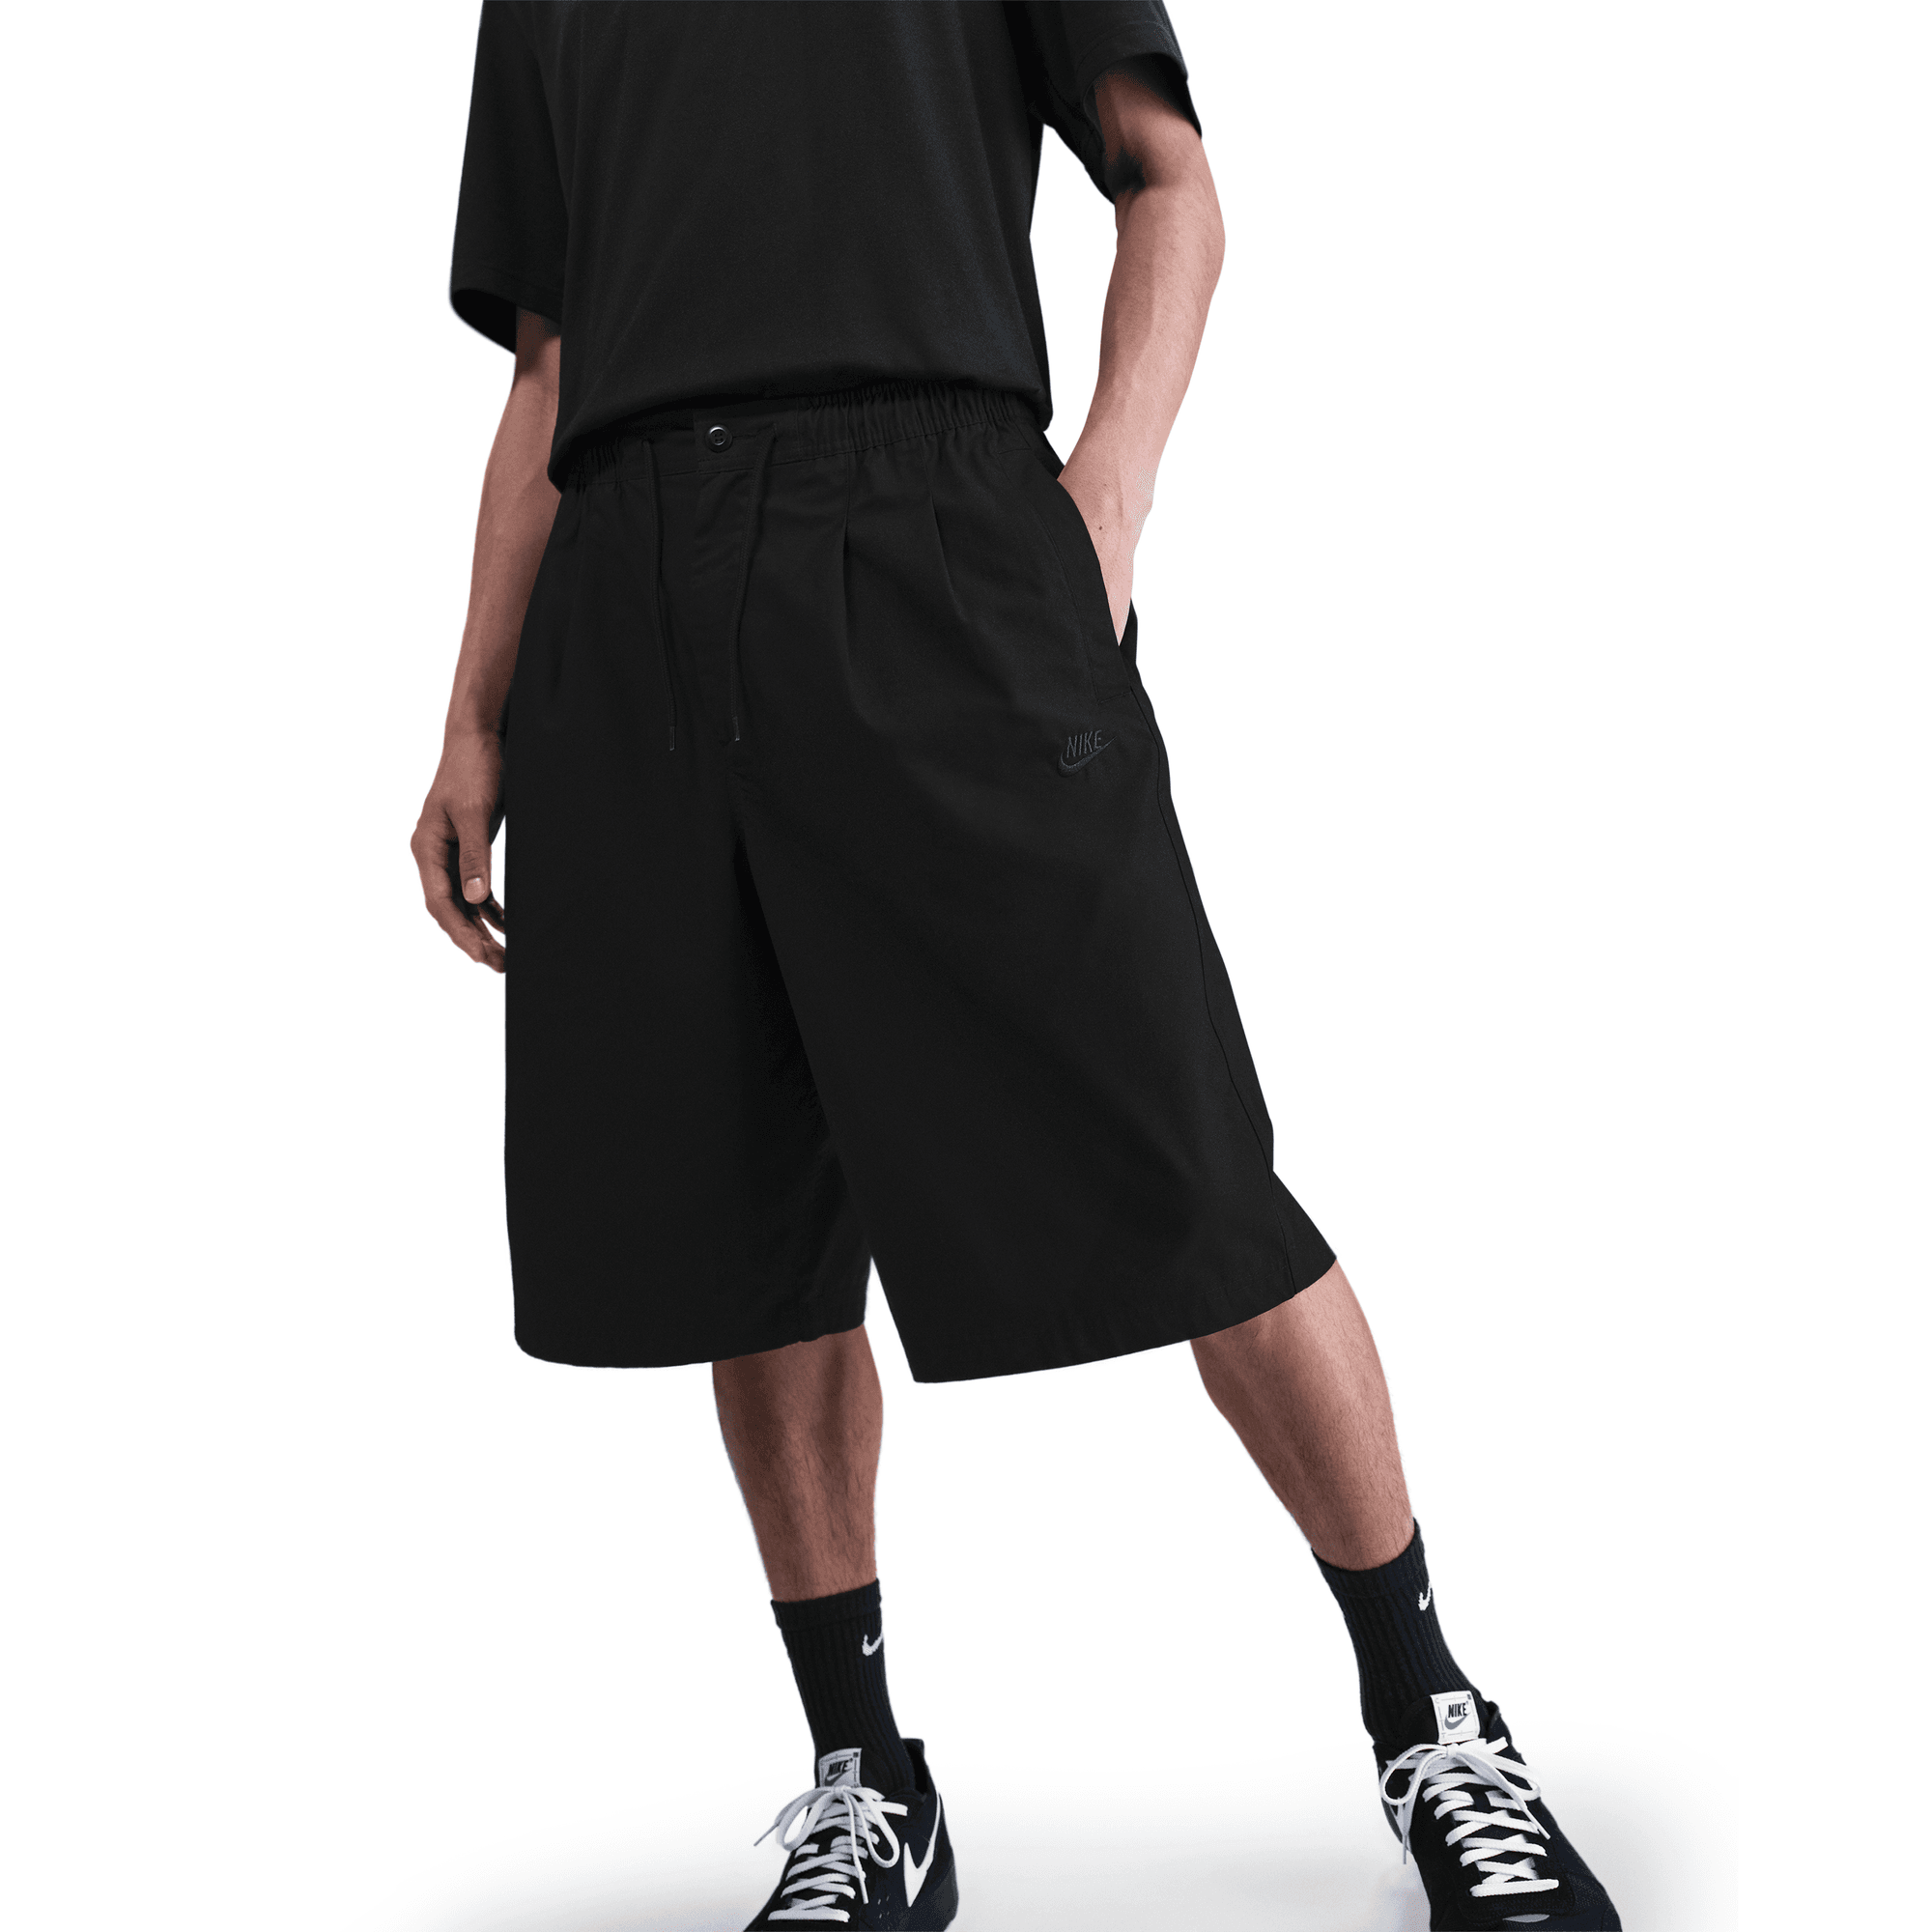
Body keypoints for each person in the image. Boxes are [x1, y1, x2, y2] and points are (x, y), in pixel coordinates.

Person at [412, 6, 1620, 1927]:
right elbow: (551, 363)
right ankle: (867, 1784)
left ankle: (1433, 1714)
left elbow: (1168, 180)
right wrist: (474, 711)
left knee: (1192, 1175)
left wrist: (1104, 501)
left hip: (935, 534)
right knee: (746, 1232)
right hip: (634, 590)